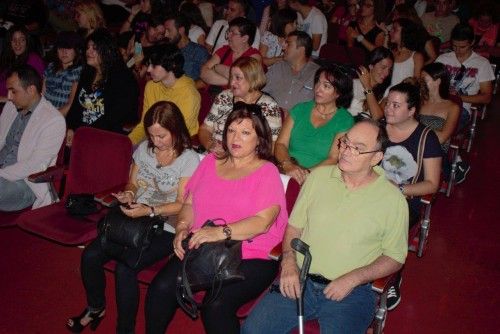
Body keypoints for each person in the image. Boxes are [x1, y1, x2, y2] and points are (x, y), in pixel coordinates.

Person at [242, 119, 408, 334]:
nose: (346, 151)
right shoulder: (318, 178)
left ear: (377, 157)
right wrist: (289, 262)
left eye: (358, 149)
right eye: (345, 143)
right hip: (301, 279)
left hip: (353, 291)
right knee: (252, 330)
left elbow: (395, 257)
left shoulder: (392, 200)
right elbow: (294, 228)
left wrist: (353, 278)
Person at [145, 102, 288, 334]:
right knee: (161, 288)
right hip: (205, 247)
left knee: (216, 305)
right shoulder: (211, 162)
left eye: (245, 132)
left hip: (251, 254)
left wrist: (218, 232)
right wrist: (182, 227)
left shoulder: (266, 171)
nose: (236, 138)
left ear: (259, 139)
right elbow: (190, 203)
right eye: (231, 130)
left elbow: (263, 222)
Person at [66, 101, 200, 334]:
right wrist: (129, 192)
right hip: (135, 216)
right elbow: (133, 182)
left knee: (125, 269)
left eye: (162, 136)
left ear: (176, 130)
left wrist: (148, 209)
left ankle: (124, 329)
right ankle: (96, 307)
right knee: (90, 255)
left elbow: (181, 204)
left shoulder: (188, 159)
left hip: (164, 224)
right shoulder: (144, 149)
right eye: (151, 135)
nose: (156, 142)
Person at [380, 81, 441, 310]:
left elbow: (432, 184)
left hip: (404, 199)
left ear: (412, 110)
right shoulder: (377, 128)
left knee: (385, 228)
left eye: (396, 105)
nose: (388, 109)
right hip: (370, 192)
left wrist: (399, 189)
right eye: (388, 103)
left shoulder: (427, 138)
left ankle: (392, 277)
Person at [0, 65, 65, 211]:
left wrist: (1, 173)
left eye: (13, 91)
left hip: (24, 184)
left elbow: (35, 165)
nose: (8, 97)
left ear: (31, 90)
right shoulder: (11, 107)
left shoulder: (53, 120)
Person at [275, 65, 354, 184]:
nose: (318, 89)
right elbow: (281, 144)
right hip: (287, 169)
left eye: (326, 86)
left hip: (318, 178)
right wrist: (288, 166)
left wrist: (304, 174)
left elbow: (333, 158)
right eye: (318, 82)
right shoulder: (300, 109)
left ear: (338, 93)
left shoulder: (345, 120)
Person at [66, 29, 139, 146]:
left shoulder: (123, 79)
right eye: (88, 47)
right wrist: (71, 128)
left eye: (94, 48)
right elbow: (76, 106)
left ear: (107, 51)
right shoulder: (87, 73)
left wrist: (84, 134)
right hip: (83, 134)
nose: (88, 51)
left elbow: (115, 118)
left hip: (106, 138)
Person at [199, 56, 281, 153]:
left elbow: (272, 145)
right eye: (231, 77)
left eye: (238, 78)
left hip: (247, 162)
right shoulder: (224, 97)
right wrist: (210, 145)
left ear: (252, 79)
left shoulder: (268, 106)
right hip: (215, 154)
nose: (232, 82)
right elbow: (205, 129)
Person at [129, 44, 201, 145]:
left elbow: (178, 133)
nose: (149, 69)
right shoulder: (151, 86)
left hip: (180, 144)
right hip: (153, 139)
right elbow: (144, 124)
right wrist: (128, 142)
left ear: (172, 65)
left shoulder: (189, 93)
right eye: (149, 64)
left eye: (154, 65)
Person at [435, 23, 495, 128]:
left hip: (460, 108)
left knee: (439, 126)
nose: (457, 50)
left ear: (472, 42)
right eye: (454, 46)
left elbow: (486, 97)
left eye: (462, 47)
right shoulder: (443, 59)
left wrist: (458, 97)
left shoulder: (482, 63)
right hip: (437, 103)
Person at [263, 31, 319, 113]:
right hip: (273, 117)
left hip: (300, 122)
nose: (283, 47)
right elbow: (261, 92)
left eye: (288, 44)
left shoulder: (316, 74)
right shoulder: (278, 67)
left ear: (301, 49)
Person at [200, 17, 262, 88]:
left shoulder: (254, 57)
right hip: (212, 94)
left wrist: (216, 67)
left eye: (233, 33)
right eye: (229, 31)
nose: (228, 35)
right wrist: (229, 82)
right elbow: (203, 72)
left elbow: (244, 81)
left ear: (244, 38)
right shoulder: (224, 50)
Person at [43, 31, 84, 116]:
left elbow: (70, 104)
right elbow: (41, 95)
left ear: (76, 50)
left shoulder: (77, 72)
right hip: (44, 112)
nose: (64, 52)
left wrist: (51, 120)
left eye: (68, 48)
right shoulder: (51, 67)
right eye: (60, 47)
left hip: (60, 117)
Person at [0, 25, 45, 103]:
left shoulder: (34, 60)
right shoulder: (7, 59)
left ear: (27, 42)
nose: (18, 43)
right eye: (14, 40)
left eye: (22, 40)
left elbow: (33, 94)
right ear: (9, 42)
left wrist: (5, 99)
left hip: (17, 107)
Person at [163, 13, 210, 81]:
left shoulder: (198, 52)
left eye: (169, 30)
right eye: (165, 31)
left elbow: (204, 81)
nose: (166, 35)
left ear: (181, 30)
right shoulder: (167, 50)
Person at [349, 46, 393, 119]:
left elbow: (377, 117)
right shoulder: (353, 84)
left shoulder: (387, 91)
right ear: (371, 65)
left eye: (389, 69)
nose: (387, 73)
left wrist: (367, 86)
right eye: (383, 67)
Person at [387, 18, 424, 89]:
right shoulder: (390, 52)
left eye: (395, 29)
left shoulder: (416, 56)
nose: (390, 31)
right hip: (386, 93)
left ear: (405, 32)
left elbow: (417, 83)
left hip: (403, 96)